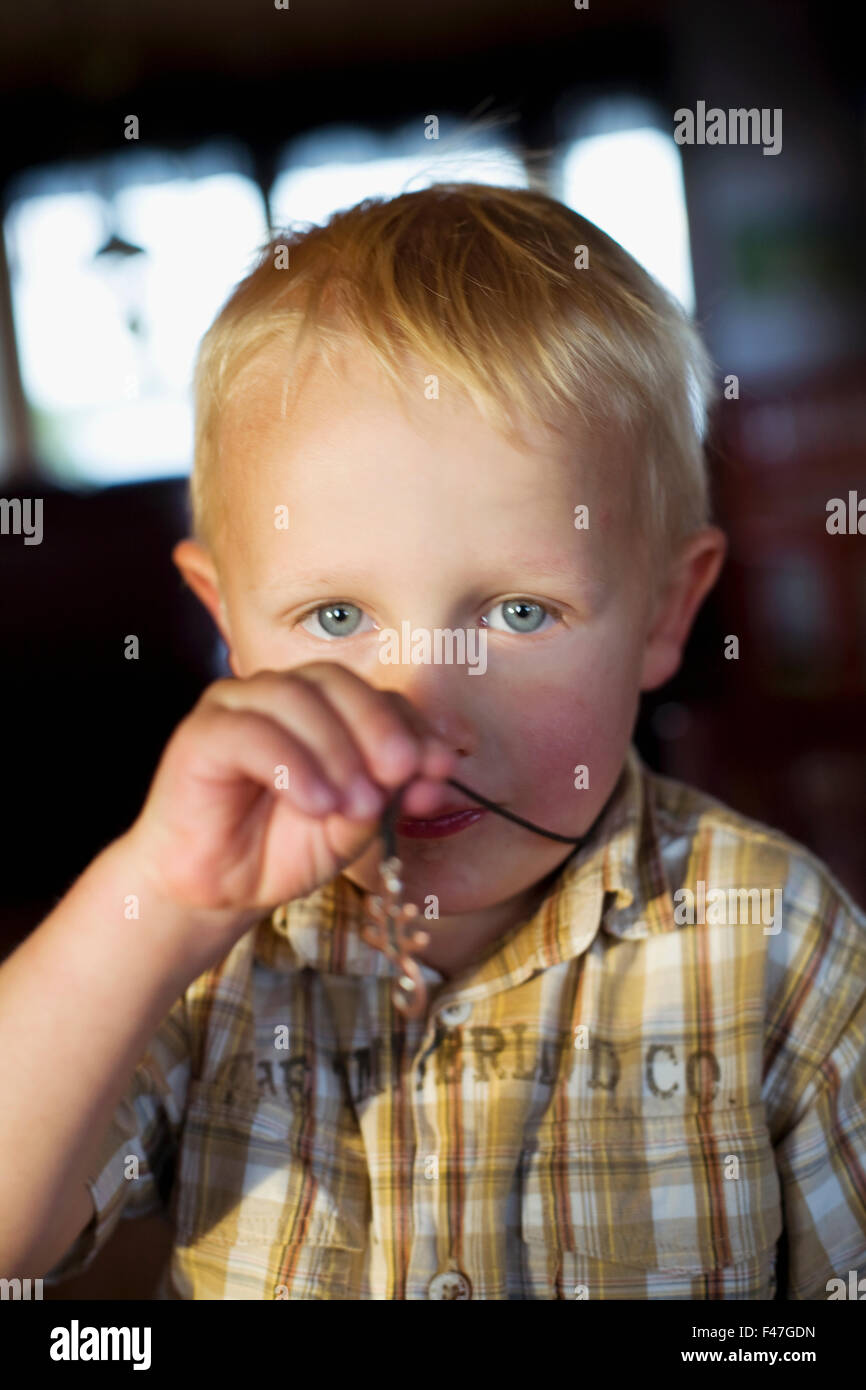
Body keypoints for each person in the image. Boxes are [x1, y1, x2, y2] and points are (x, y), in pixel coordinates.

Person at [2, 183, 864, 1299]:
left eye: (516, 613)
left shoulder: (780, 944)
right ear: (226, 626)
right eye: (335, 618)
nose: (419, 712)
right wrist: (156, 903)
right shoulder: (203, 951)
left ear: (662, 612)